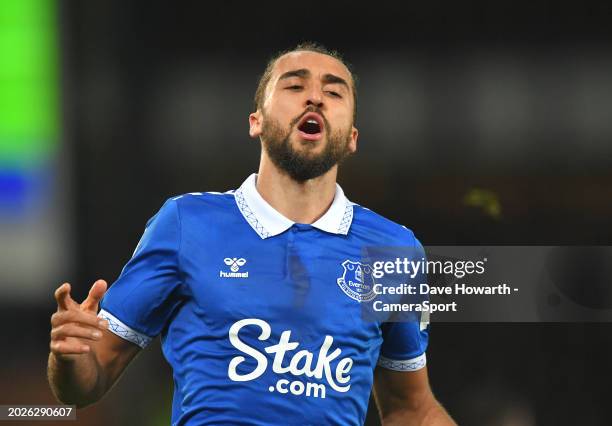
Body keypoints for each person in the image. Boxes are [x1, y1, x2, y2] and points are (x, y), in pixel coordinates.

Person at [48, 42, 456, 425]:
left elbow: (412, 409)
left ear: (352, 138)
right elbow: (88, 382)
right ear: (256, 122)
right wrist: (70, 358)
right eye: (294, 85)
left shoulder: (392, 249)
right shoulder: (186, 223)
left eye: (334, 93)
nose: (314, 97)